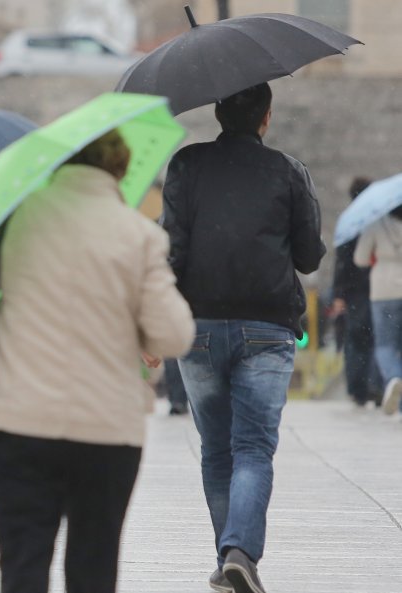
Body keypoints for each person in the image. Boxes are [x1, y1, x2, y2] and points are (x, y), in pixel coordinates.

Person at [0, 130, 195, 593]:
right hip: (105, 432)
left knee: (21, 567)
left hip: (17, 423)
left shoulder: (14, 219)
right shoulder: (138, 234)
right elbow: (175, 335)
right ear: (119, 169)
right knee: (94, 569)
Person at [162, 83, 326, 593]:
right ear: (266, 117)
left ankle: (229, 556)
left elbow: (172, 251)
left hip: (199, 327)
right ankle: (239, 552)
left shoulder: (187, 165)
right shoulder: (288, 170)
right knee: (253, 448)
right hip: (266, 327)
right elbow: (309, 257)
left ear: (217, 112)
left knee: (217, 449)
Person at [332, 177, 381, 407]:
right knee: (377, 338)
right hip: (377, 287)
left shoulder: (349, 222)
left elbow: (341, 262)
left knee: (355, 339)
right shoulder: (379, 219)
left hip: (354, 291)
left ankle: (357, 388)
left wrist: (339, 293)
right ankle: (376, 385)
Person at [353, 201, 402, 415]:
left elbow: (360, 258)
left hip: (383, 288)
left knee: (385, 344)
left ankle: (393, 378)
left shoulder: (375, 224)